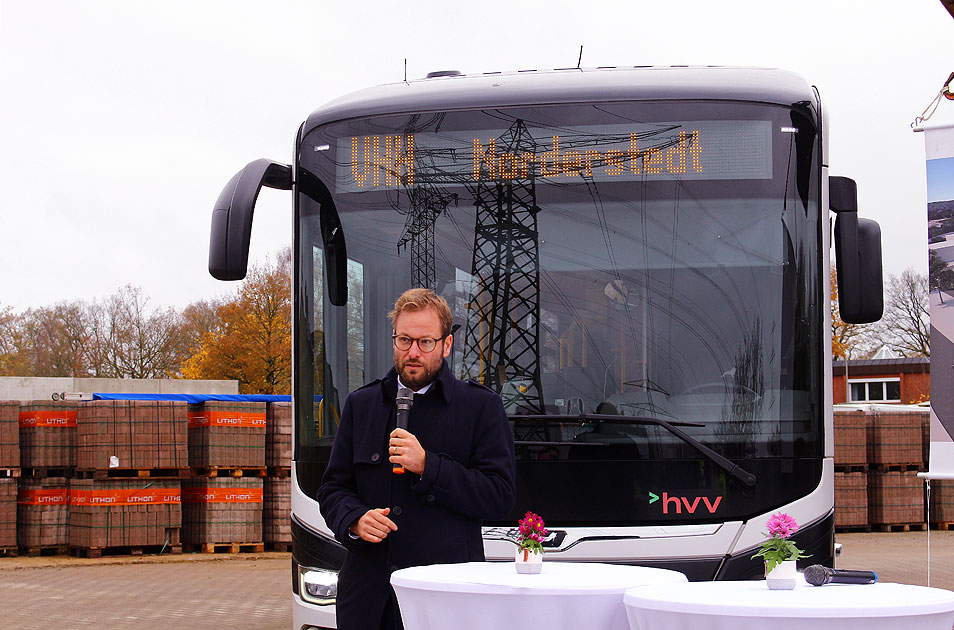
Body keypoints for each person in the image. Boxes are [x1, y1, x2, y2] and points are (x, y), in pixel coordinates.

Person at [316, 288, 517, 630]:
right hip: (368, 600)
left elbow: (499, 498)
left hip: (446, 598)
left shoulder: (480, 407)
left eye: (425, 342)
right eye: (404, 340)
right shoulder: (361, 405)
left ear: (446, 345)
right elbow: (333, 489)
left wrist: (428, 466)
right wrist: (354, 519)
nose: (413, 352)